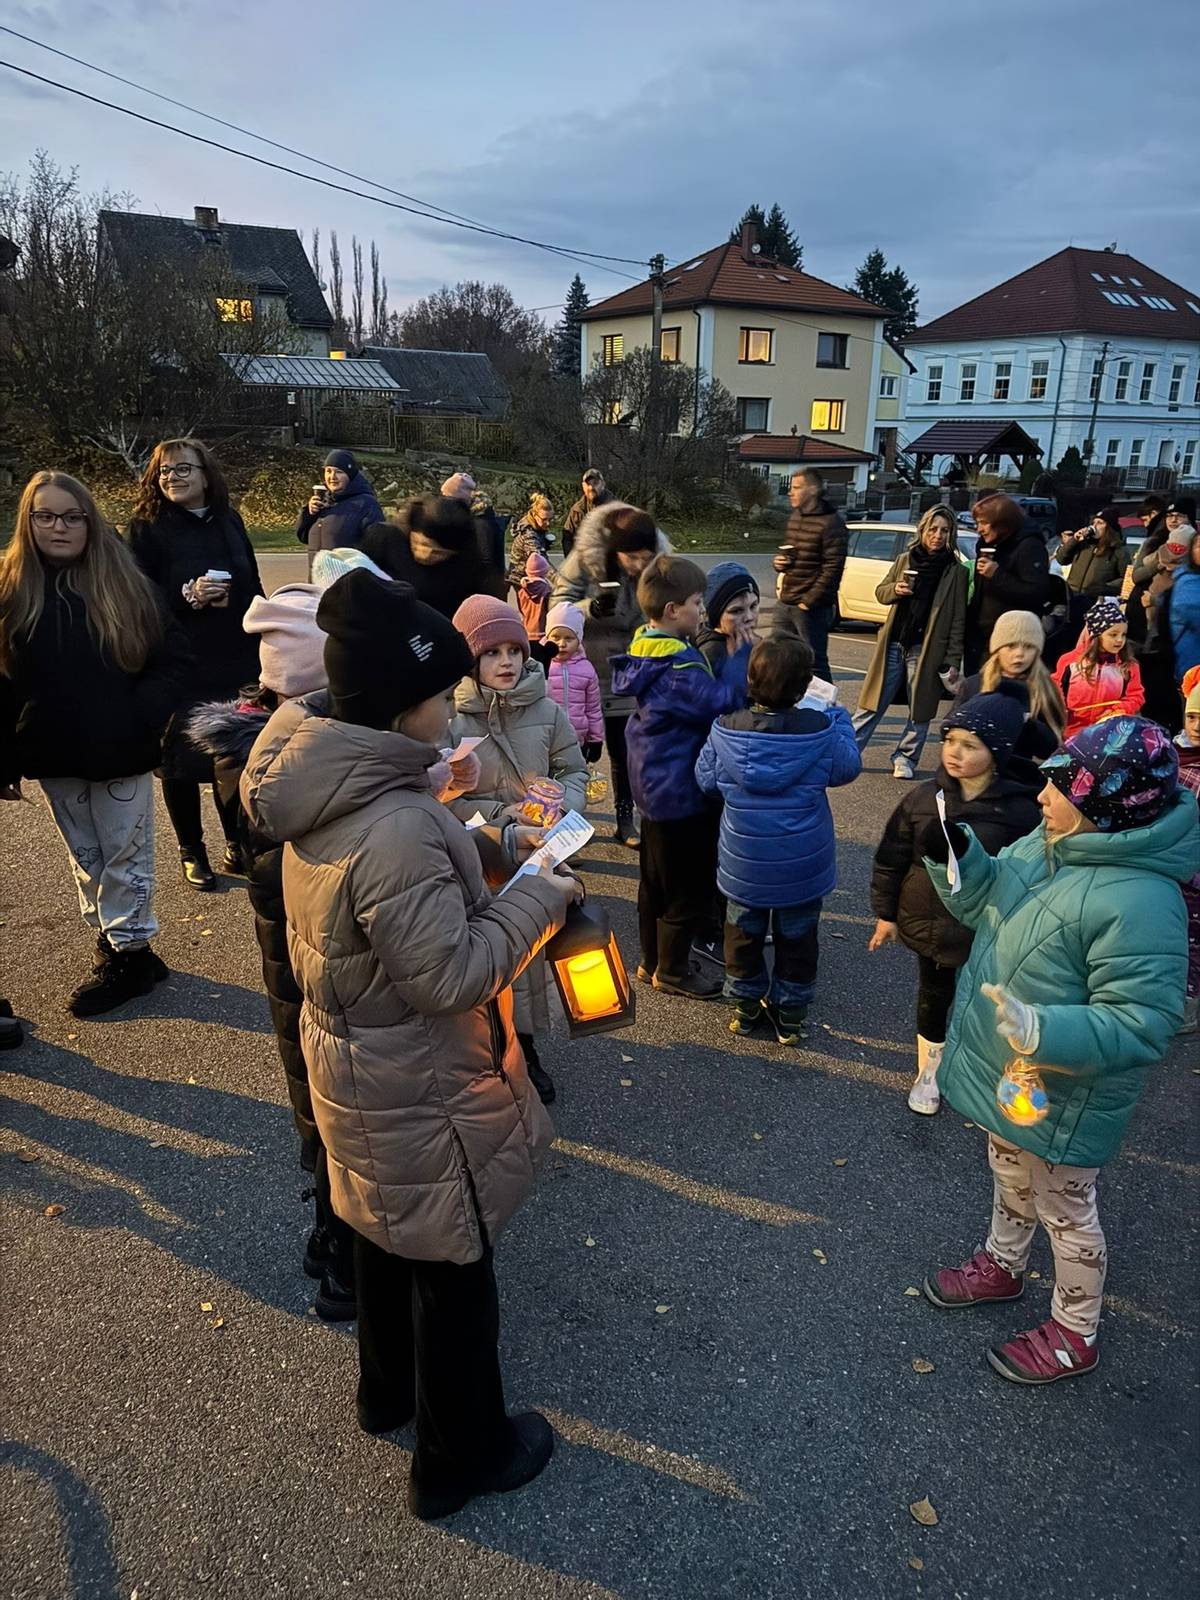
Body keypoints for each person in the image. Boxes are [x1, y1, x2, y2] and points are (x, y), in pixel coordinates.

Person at [239, 568, 579, 1520]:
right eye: (440, 694)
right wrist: (536, 899)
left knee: (383, 1236)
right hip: (421, 1085)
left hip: (356, 1069)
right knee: (454, 1267)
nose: (451, 706)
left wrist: (464, 831)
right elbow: (447, 976)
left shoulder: (328, 787)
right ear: (404, 706)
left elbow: (387, 918)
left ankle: (384, 1393)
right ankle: (461, 1455)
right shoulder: (392, 827)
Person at [920, 716, 1197, 1385]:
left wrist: (1045, 1031)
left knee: (1067, 1211)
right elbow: (985, 901)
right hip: (1016, 1079)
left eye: (1060, 786)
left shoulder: (1142, 900)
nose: (1041, 796)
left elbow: (1144, 1023)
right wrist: (955, 856)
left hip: (1067, 1094)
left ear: (1107, 806)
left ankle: (1076, 1333)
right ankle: (1003, 1264)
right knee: (1008, 1170)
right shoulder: (1048, 842)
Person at [187, 579, 358, 1321]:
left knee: (317, 1101)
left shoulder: (253, 752)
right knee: (339, 1106)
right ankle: (345, 1248)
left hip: (295, 970)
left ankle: (330, 1228)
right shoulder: (291, 772)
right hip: (317, 967)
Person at [0, 471, 189, 1014]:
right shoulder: (13, 590)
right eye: (46, 516)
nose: (58, 527)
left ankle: (130, 955)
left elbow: (173, 658)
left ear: (89, 520)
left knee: (125, 854)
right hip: (53, 751)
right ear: (28, 521)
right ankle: (115, 941)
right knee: (87, 856)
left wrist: (141, 713)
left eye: (71, 516)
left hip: (119, 750)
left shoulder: (124, 584)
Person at [867, 682, 1040, 1114]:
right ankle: (931, 1070)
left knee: (990, 1002)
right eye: (949, 740)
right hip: (931, 925)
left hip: (991, 929)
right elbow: (891, 857)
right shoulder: (924, 798)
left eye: (970, 744)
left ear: (998, 753)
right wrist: (885, 914)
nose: (954, 752)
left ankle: (985, 1070)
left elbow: (1034, 873)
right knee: (933, 995)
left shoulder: (1022, 811)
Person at [448, 595, 589, 1106]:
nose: (506, 662)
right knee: (483, 959)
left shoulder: (547, 708)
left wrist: (561, 806)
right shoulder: (450, 716)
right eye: (492, 653)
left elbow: (574, 769)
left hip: (539, 855)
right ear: (470, 658)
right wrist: (505, 816)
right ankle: (483, 1051)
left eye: (515, 650)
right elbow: (444, 800)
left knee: (528, 960)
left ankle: (523, 1050)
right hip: (479, 858)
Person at [696, 635, 860, 1043]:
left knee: (743, 934)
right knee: (798, 937)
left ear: (751, 680)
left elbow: (705, 780)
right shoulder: (820, 729)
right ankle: (791, 1013)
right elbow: (846, 768)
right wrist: (840, 720)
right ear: (804, 688)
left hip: (744, 862)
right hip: (802, 865)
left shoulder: (725, 730)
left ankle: (747, 1006)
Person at [610, 555, 751, 998]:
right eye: (695, 602)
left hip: (654, 786)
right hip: (678, 789)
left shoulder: (648, 645)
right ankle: (672, 970)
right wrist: (743, 653)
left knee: (655, 880)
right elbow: (722, 700)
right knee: (686, 885)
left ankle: (650, 959)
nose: (701, 610)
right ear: (673, 612)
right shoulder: (678, 669)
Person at [128, 436, 264, 889]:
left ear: (206, 475)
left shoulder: (230, 520)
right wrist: (187, 596)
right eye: (164, 471)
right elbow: (138, 598)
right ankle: (192, 850)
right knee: (180, 761)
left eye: (182, 469)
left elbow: (254, 582)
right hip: (179, 660)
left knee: (234, 754)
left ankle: (234, 844)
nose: (172, 478)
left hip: (235, 657)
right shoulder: (148, 527)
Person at [550, 502, 670, 847]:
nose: (639, 565)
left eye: (646, 557)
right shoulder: (584, 560)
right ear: (616, 551)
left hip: (628, 670)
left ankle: (624, 819)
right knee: (574, 753)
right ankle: (569, 822)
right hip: (583, 668)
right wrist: (589, 608)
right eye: (632, 558)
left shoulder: (657, 564)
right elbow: (556, 606)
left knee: (624, 749)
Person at [852, 505, 968, 779]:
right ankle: (848, 751)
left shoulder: (955, 571)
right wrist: (896, 590)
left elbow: (958, 620)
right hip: (894, 642)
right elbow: (881, 592)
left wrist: (952, 659)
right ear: (923, 530)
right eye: (933, 529)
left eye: (944, 530)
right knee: (872, 702)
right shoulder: (905, 559)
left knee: (921, 707)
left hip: (927, 648)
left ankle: (905, 757)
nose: (938, 535)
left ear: (951, 534)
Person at [951, 610, 1066, 765]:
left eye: (1028, 647)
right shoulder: (973, 684)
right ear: (997, 648)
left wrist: (1028, 724)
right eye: (1010, 646)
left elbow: (1050, 748)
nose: (1019, 654)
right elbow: (950, 732)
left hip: (1016, 778)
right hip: (972, 774)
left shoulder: (1044, 689)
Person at [361, 496, 505, 615]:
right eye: (421, 543)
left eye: (439, 553)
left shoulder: (470, 568)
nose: (425, 555)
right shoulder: (383, 539)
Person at [771, 467, 848, 682]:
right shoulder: (796, 517)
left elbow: (833, 568)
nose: (790, 492)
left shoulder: (832, 523)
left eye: (797, 488)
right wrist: (780, 563)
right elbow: (792, 553)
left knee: (814, 662)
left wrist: (809, 601)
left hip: (811, 607)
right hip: (786, 599)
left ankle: (825, 711)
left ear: (813, 490)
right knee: (776, 655)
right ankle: (779, 704)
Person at [963, 493, 1052, 673]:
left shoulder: (1030, 547)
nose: (978, 528)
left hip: (1010, 640)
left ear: (1002, 522)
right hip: (981, 636)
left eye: (983, 523)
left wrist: (997, 575)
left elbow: (1036, 593)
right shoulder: (987, 544)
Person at [1055, 597, 1144, 739]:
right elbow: (1055, 687)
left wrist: (1119, 710)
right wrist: (1059, 708)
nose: (1120, 640)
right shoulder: (1069, 662)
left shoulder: (1129, 666)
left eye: (1123, 635)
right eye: (1113, 635)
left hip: (1108, 735)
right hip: (1070, 734)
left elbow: (1136, 696)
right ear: (1095, 635)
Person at [544, 602, 604, 764]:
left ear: (579, 639)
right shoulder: (540, 666)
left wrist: (596, 739)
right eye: (556, 637)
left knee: (576, 784)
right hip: (546, 742)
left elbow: (593, 709)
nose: (562, 644)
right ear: (547, 636)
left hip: (578, 742)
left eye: (569, 638)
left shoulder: (586, 670)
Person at [294, 449, 382, 556]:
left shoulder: (366, 504)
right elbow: (303, 537)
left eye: (339, 472)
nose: (332, 477)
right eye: (328, 471)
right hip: (318, 572)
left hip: (350, 572)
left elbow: (377, 546)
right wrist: (308, 513)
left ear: (350, 475)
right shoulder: (323, 502)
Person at [1174, 677, 1200, 1033]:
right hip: (1169, 859)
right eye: (1192, 717)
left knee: (1194, 934)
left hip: (1196, 866)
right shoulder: (1170, 753)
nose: (1197, 726)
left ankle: (1189, 999)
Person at [1054, 506, 1129, 627]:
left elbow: (1125, 578)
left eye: (1100, 523)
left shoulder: (1118, 550)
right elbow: (1061, 559)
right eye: (1094, 522)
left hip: (1095, 601)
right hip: (1072, 597)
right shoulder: (1084, 544)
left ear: (1109, 527)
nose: (1095, 526)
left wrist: (1104, 587)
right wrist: (1074, 540)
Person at [696, 562, 760, 697]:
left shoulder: (745, 640)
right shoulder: (710, 653)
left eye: (753, 606)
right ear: (715, 615)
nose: (749, 617)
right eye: (736, 611)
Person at [1123, 493, 1170, 647]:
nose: (1144, 525)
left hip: (1144, 607)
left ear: (1154, 514)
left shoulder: (1154, 541)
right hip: (1150, 608)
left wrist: (1158, 563)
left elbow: (1137, 576)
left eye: (1145, 519)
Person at [440, 471, 506, 580]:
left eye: (447, 498)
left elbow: (485, 560)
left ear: (459, 499)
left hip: (482, 587)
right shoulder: (474, 517)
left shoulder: (481, 522)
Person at [506, 493, 556, 590]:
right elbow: (540, 559)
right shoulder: (529, 535)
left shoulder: (537, 527)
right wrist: (559, 580)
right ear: (534, 515)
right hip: (522, 579)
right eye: (544, 519)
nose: (548, 523)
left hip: (532, 575)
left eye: (550, 519)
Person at [563, 469, 613, 557]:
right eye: (588, 484)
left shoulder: (615, 507)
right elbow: (567, 538)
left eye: (595, 483)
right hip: (583, 563)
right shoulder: (576, 510)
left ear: (603, 484)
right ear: (583, 486)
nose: (591, 487)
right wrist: (572, 562)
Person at [516, 550, 553, 643]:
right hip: (543, 632)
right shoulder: (546, 590)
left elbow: (521, 610)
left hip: (527, 631)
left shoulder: (522, 590)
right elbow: (550, 610)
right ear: (544, 572)